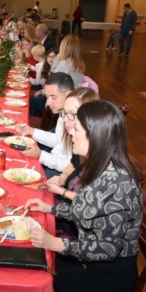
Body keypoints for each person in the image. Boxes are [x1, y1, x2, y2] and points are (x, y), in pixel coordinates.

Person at [0, 99, 143, 292]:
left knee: (29, 280)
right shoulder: (103, 167)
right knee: (29, 262)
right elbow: (87, 210)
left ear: (95, 136)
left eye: (76, 129)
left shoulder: (116, 184)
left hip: (105, 280)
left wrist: (56, 243)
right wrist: (50, 208)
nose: (71, 133)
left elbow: (107, 249)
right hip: (95, 265)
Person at [45, 87, 99, 236]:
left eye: (72, 114)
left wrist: (62, 192)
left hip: (78, 227)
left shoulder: (98, 156)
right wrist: (62, 177)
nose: (65, 119)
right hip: (69, 207)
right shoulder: (79, 142)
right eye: (64, 113)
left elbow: (92, 203)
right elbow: (73, 163)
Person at [16, 72, 75, 178]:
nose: (48, 103)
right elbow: (58, 140)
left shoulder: (77, 122)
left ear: (69, 95)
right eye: (47, 97)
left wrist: (41, 155)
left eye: (53, 97)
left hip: (63, 174)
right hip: (54, 160)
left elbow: (73, 165)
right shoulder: (64, 113)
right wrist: (31, 131)